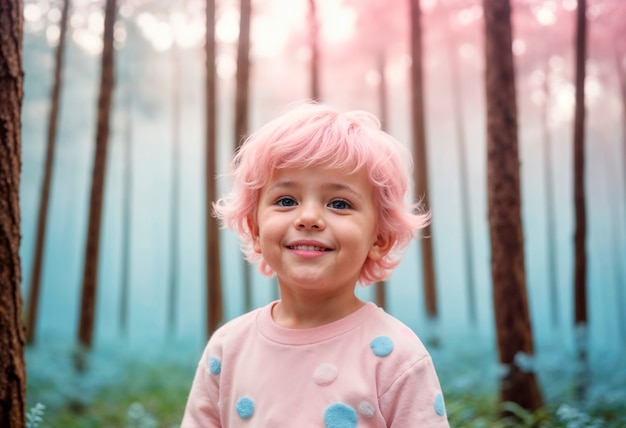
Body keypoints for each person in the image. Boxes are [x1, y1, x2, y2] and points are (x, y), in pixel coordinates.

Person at [181, 103, 449, 427]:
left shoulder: (397, 357)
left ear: (379, 238)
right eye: (286, 201)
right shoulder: (227, 349)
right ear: (254, 229)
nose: (308, 218)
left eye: (339, 203)